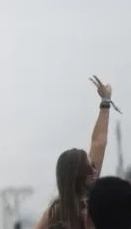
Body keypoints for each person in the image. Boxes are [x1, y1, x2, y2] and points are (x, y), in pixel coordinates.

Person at [35, 76, 115, 229]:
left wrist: (105, 102)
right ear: (78, 175)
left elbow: (98, 143)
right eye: (89, 167)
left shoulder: (86, 199)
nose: (95, 171)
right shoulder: (57, 211)